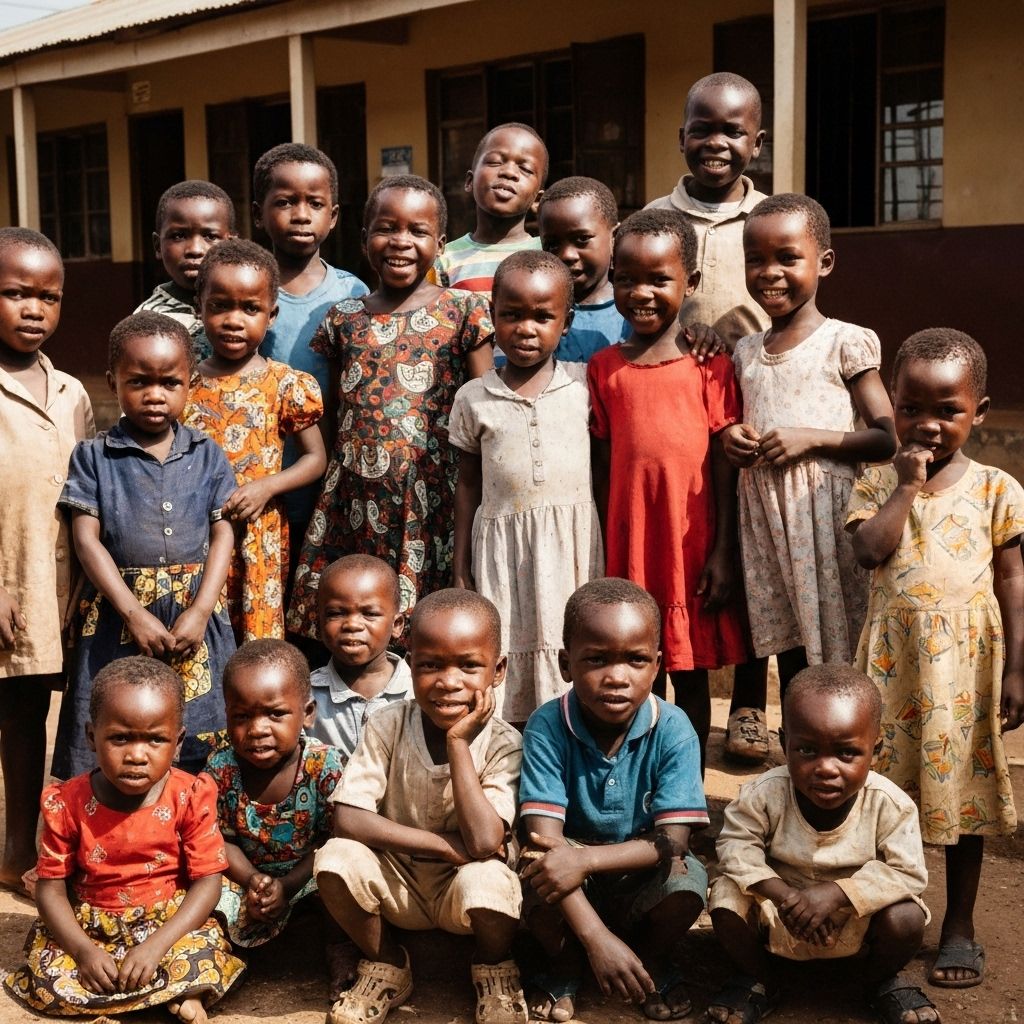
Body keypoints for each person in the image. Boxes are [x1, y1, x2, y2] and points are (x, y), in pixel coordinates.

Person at [847, 328, 1024, 992]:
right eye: (911, 407)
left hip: (966, 672)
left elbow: (1012, 580)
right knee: (882, 794)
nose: (927, 424)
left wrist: (1017, 667)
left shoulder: (998, 490)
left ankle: (960, 923)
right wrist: (905, 488)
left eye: (948, 410)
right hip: (893, 672)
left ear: (979, 411)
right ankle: (879, 910)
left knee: (964, 803)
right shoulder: (876, 482)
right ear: (891, 402)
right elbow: (869, 552)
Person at [287, 175, 493, 636]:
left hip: (431, 499)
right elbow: (341, 412)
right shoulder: (344, 318)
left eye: (417, 231)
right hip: (355, 497)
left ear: (439, 244)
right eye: (386, 228)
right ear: (364, 239)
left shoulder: (462, 311)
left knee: (427, 626)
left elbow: (486, 410)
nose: (401, 242)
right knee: (356, 617)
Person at [314, 589, 526, 1024]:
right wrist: (447, 846)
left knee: (490, 879)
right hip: (399, 884)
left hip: (460, 890)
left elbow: (486, 842)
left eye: (469, 665)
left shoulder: (505, 744)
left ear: (498, 670)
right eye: (430, 665)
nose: (448, 681)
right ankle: (388, 964)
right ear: (410, 667)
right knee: (335, 859)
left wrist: (458, 744)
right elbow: (347, 818)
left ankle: (493, 967)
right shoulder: (388, 724)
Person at [589, 208, 750, 767]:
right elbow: (604, 469)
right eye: (627, 278)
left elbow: (727, 466)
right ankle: (641, 782)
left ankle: (690, 786)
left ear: (692, 283)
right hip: (631, 547)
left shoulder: (710, 366)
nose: (642, 293)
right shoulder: (603, 368)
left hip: (692, 547)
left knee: (691, 675)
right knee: (637, 672)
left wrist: (724, 550)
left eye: (659, 279)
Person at [722, 193, 896, 703]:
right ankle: (803, 731)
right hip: (766, 519)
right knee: (788, 635)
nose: (769, 272)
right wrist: (734, 437)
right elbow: (737, 420)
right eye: (756, 259)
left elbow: (886, 437)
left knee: (840, 631)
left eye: (787, 258)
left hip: (824, 514)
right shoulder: (745, 351)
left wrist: (811, 438)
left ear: (824, 263)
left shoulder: (844, 341)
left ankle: (848, 726)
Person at [4, 658, 245, 1023]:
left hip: (169, 926)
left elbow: (207, 883)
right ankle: (167, 997)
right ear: (91, 736)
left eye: (155, 739)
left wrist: (155, 947)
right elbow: (50, 889)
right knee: (49, 974)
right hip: (92, 927)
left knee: (205, 952)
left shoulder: (191, 795)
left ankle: (183, 992)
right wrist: (84, 952)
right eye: (120, 738)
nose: (136, 754)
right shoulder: (66, 802)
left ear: (177, 742)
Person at [53, 311, 237, 777]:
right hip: (120, 618)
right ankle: (113, 839)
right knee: (118, 732)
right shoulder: (93, 457)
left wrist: (200, 610)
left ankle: (190, 833)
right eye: (139, 382)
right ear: (114, 381)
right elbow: (85, 538)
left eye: (169, 383)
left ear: (190, 384)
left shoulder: (207, 452)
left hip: (194, 620)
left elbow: (223, 533)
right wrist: (133, 612)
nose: (155, 395)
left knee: (199, 740)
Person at [519, 578, 709, 1023]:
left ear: (657, 665)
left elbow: (674, 841)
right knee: (533, 874)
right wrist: (595, 936)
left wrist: (585, 861)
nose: (617, 677)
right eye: (597, 659)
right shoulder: (546, 726)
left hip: (629, 872)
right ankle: (565, 968)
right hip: (569, 881)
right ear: (566, 664)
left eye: (636, 660)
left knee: (687, 882)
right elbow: (545, 844)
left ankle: (649, 963)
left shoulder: (675, 728)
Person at [707, 666, 937, 1024]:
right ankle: (762, 981)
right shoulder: (762, 794)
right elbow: (736, 850)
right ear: (783, 743)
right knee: (725, 899)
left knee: (906, 918)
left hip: (851, 921)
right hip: (780, 914)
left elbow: (908, 872)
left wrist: (836, 894)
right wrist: (786, 897)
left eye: (846, 753)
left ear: (875, 749)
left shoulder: (889, 803)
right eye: (807, 750)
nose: (826, 768)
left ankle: (874, 983)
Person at [450, 250, 602, 725]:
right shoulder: (474, 397)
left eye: (542, 316)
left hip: (572, 544)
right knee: (510, 648)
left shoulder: (584, 386)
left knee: (571, 645)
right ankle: (513, 759)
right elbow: (467, 486)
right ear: (492, 316)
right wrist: (460, 566)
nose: (526, 329)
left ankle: (568, 749)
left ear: (566, 320)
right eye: (512, 315)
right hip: (502, 548)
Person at [0, 227, 94, 893]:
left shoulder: (72, 393)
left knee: (42, 715)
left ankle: (35, 849)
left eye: (48, 297)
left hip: (56, 586)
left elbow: (86, 491)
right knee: (12, 715)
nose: (32, 308)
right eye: (13, 293)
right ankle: (10, 846)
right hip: (6, 582)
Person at [182, 238, 326, 643]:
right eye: (220, 306)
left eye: (250, 308)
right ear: (199, 308)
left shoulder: (284, 384)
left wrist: (267, 486)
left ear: (272, 314)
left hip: (257, 536)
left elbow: (315, 459)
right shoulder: (184, 384)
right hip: (194, 534)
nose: (233, 320)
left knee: (255, 644)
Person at [203, 640, 352, 995]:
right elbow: (219, 839)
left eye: (275, 714)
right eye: (242, 716)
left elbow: (335, 840)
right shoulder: (220, 768)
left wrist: (287, 886)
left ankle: (342, 954)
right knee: (204, 889)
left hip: (309, 876)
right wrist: (255, 881)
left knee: (340, 877)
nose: (257, 729)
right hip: (247, 881)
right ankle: (219, 962)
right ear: (226, 715)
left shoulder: (324, 766)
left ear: (308, 712)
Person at [254, 143, 370, 548]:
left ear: (333, 216)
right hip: (258, 475)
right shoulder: (247, 293)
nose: (301, 214)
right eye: (285, 202)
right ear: (258, 213)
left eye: (315, 203)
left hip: (329, 478)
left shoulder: (353, 293)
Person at [646, 72, 770, 349]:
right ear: (682, 138)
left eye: (733, 131)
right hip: (671, 372)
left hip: (751, 377)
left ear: (757, 144)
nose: (715, 143)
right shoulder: (653, 219)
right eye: (701, 130)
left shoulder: (771, 219)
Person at [309, 554, 412, 758]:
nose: (352, 625)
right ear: (318, 624)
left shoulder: (418, 692)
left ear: (397, 625)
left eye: (370, 613)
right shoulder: (304, 696)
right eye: (336, 613)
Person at [433, 122, 547, 298]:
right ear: (470, 181)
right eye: (495, 162)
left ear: (537, 200)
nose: (509, 172)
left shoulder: (548, 254)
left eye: (525, 169)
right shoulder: (445, 258)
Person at [134, 180, 235, 361]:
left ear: (231, 244)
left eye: (210, 236)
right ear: (158, 246)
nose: (195, 249)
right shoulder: (147, 319)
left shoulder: (247, 306)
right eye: (178, 236)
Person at [536, 176, 628, 363]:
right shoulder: (534, 312)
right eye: (552, 245)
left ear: (614, 238)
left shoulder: (632, 313)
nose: (567, 255)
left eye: (582, 239)